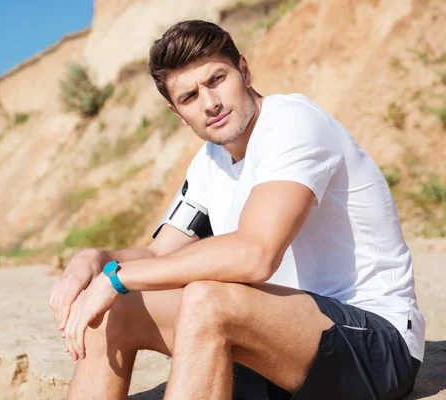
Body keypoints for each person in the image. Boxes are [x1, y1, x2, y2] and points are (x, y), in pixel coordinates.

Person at [48, 20, 425, 400]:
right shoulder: (209, 162)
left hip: (375, 347)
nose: (210, 103)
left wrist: (116, 278)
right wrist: (98, 260)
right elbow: (159, 254)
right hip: (276, 345)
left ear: (244, 70)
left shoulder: (293, 122)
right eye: (190, 97)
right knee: (114, 309)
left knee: (206, 298)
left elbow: (255, 255)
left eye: (216, 79)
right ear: (178, 114)